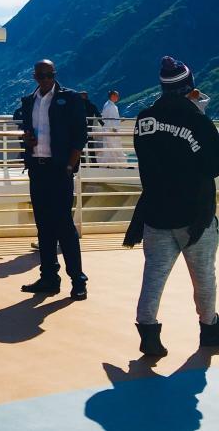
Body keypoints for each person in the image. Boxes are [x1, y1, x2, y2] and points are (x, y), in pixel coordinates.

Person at [125, 57, 219, 356]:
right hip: (195, 217)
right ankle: (210, 330)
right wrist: (198, 113)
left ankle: (148, 332)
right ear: (189, 87)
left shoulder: (144, 120)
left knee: (153, 277)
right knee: (204, 276)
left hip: (155, 212)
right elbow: (214, 165)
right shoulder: (198, 121)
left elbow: (146, 156)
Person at [19, 59, 89, 300]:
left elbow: (81, 135)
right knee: (43, 226)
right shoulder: (29, 101)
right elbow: (27, 132)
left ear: (55, 74)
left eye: (48, 75)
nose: (45, 80)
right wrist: (26, 142)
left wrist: (70, 165)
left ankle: (78, 279)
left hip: (59, 170)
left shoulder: (69, 99)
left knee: (64, 226)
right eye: (40, 76)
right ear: (34, 76)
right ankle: (49, 277)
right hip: (37, 169)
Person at [101, 90, 126, 165]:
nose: (118, 97)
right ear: (112, 96)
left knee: (109, 148)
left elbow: (110, 118)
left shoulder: (108, 105)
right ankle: (122, 164)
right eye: (117, 95)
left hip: (108, 130)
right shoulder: (111, 106)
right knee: (116, 147)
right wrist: (115, 128)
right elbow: (112, 119)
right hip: (112, 131)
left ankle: (110, 164)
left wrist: (119, 120)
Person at [80, 91, 104, 164]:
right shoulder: (92, 105)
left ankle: (83, 163)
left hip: (79, 130)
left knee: (80, 147)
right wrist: (104, 125)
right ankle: (94, 163)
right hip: (89, 130)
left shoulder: (77, 105)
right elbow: (98, 116)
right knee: (91, 146)